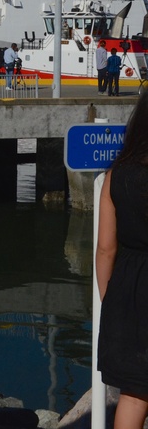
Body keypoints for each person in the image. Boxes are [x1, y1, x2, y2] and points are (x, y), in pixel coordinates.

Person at [97, 90, 148, 428]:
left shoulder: (117, 175)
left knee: (135, 391)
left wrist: (110, 298)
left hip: (130, 289)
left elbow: (105, 248)